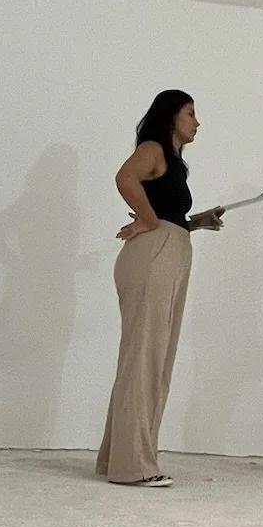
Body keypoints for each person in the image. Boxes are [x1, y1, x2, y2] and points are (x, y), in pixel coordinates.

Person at [96, 91, 224, 487]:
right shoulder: (152, 149)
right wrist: (150, 221)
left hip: (167, 252)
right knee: (145, 360)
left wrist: (194, 222)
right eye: (190, 113)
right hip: (154, 257)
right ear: (170, 116)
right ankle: (134, 466)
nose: (197, 121)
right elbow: (123, 178)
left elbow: (166, 215)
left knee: (150, 360)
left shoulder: (174, 165)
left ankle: (119, 460)